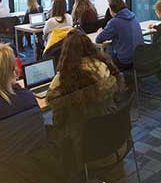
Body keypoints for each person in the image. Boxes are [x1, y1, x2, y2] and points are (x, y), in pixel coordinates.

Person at [46, 29, 125, 170]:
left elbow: (58, 119)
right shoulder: (104, 66)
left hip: (82, 145)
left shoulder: (62, 79)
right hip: (113, 136)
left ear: (67, 52)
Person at [95, 0, 143, 70]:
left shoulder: (114, 22)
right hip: (138, 57)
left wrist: (100, 32)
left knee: (103, 56)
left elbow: (98, 39)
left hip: (124, 60)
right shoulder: (134, 17)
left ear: (111, 10)